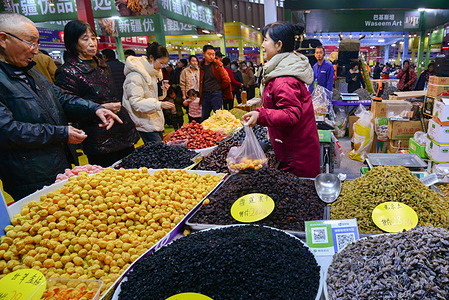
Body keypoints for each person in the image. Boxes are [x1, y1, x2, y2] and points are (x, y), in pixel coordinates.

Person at [0, 13, 122, 200]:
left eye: (38, 43)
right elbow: (7, 130)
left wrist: (94, 108)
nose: (36, 51)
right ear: (3, 39)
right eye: (31, 43)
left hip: (58, 165)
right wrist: (60, 133)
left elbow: (62, 98)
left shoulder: (32, 72)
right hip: (28, 175)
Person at [55, 20, 139, 167]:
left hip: (123, 131)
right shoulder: (67, 72)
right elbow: (67, 106)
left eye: (93, 38)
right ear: (73, 42)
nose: (92, 43)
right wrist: (99, 107)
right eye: (85, 39)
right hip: (100, 138)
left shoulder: (101, 64)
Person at [242, 21, 320, 178]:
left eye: (265, 40)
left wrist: (261, 115)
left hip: (297, 154)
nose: (262, 44)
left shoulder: (283, 79)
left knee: (299, 195)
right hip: (291, 145)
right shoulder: (281, 70)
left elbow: (291, 114)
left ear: (278, 45)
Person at [122, 42, 175, 143]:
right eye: (161, 63)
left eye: (165, 63)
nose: (163, 66)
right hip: (144, 121)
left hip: (154, 119)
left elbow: (153, 96)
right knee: (157, 151)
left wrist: (163, 91)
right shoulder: (135, 76)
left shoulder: (154, 73)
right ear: (151, 58)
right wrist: (158, 105)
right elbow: (136, 102)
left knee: (160, 149)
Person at [199, 44, 231, 120]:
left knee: (218, 117)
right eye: (209, 54)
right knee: (204, 117)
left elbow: (227, 80)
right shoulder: (201, 66)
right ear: (203, 54)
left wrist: (219, 88)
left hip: (216, 94)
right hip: (205, 94)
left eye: (213, 54)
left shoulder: (217, 65)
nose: (211, 57)